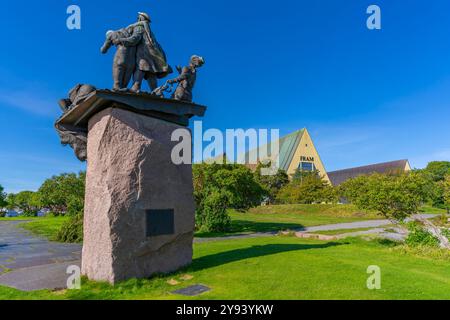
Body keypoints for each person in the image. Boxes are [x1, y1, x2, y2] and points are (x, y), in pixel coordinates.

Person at [113, 12, 172, 93]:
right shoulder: (149, 31)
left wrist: (120, 40)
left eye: (138, 17)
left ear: (140, 18)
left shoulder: (139, 27)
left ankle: (136, 86)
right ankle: (156, 91)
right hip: (152, 55)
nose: (137, 19)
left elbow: (134, 39)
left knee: (140, 67)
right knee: (151, 73)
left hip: (144, 54)